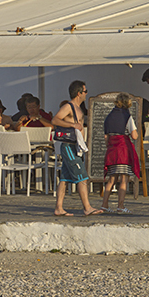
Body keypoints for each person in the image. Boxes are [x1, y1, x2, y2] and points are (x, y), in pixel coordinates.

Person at [51, 80, 103, 217]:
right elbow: (55, 120)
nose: (87, 94)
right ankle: (87, 207)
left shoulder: (78, 108)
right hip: (69, 146)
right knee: (82, 177)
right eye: (85, 91)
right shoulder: (69, 106)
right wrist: (72, 125)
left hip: (76, 146)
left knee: (65, 178)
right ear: (79, 93)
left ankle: (59, 208)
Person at [100, 92, 140, 214]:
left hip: (112, 150)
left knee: (111, 179)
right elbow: (134, 135)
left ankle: (104, 205)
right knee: (124, 178)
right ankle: (120, 206)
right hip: (123, 150)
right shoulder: (127, 116)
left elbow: (106, 137)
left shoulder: (108, 117)